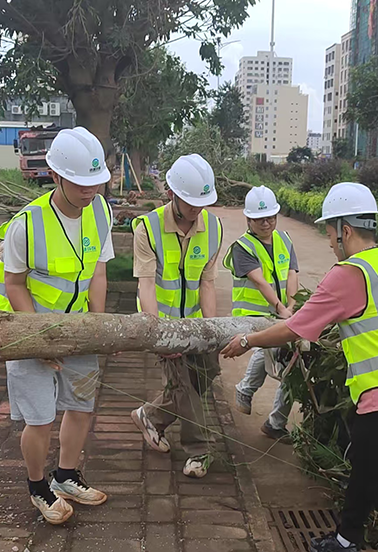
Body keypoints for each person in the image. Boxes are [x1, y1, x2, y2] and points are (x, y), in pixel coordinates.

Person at [221, 183, 378, 552]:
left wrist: (248, 341)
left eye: (329, 234)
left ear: (345, 231)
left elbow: (296, 327)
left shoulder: (349, 273)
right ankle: (346, 539)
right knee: (365, 463)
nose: (329, 243)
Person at [0, 127, 112, 525]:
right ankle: (38, 487)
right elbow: (14, 285)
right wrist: (38, 340)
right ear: (56, 176)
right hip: (28, 328)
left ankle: (66, 476)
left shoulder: (101, 211)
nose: (89, 190)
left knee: (81, 406)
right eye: (79, 182)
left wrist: (97, 325)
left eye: (95, 181)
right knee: (40, 417)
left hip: (78, 328)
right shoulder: (26, 224)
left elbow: (97, 271)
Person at [129, 154, 223, 479]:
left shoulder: (213, 227)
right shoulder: (148, 228)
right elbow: (145, 284)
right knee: (184, 386)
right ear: (171, 194)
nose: (197, 209)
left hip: (196, 323)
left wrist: (212, 332)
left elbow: (207, 283)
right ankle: (200, 449)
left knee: (207, 373)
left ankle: (151, 416)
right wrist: (159, 335)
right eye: (191, 202)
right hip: (163, 323)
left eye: (202, 202)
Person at [223, 186, 298, 440]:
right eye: (260, 219)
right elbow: (260, 282)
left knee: (294, 361)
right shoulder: (242, 247)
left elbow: (292, 273)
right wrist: (281, 309)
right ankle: (246, 390)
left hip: (282, 313)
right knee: (272, 347)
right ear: (249, 219)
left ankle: (275, 421)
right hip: (253, 315)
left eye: (271, 217)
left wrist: (292, 305)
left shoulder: (284, 239)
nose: (266, 223)